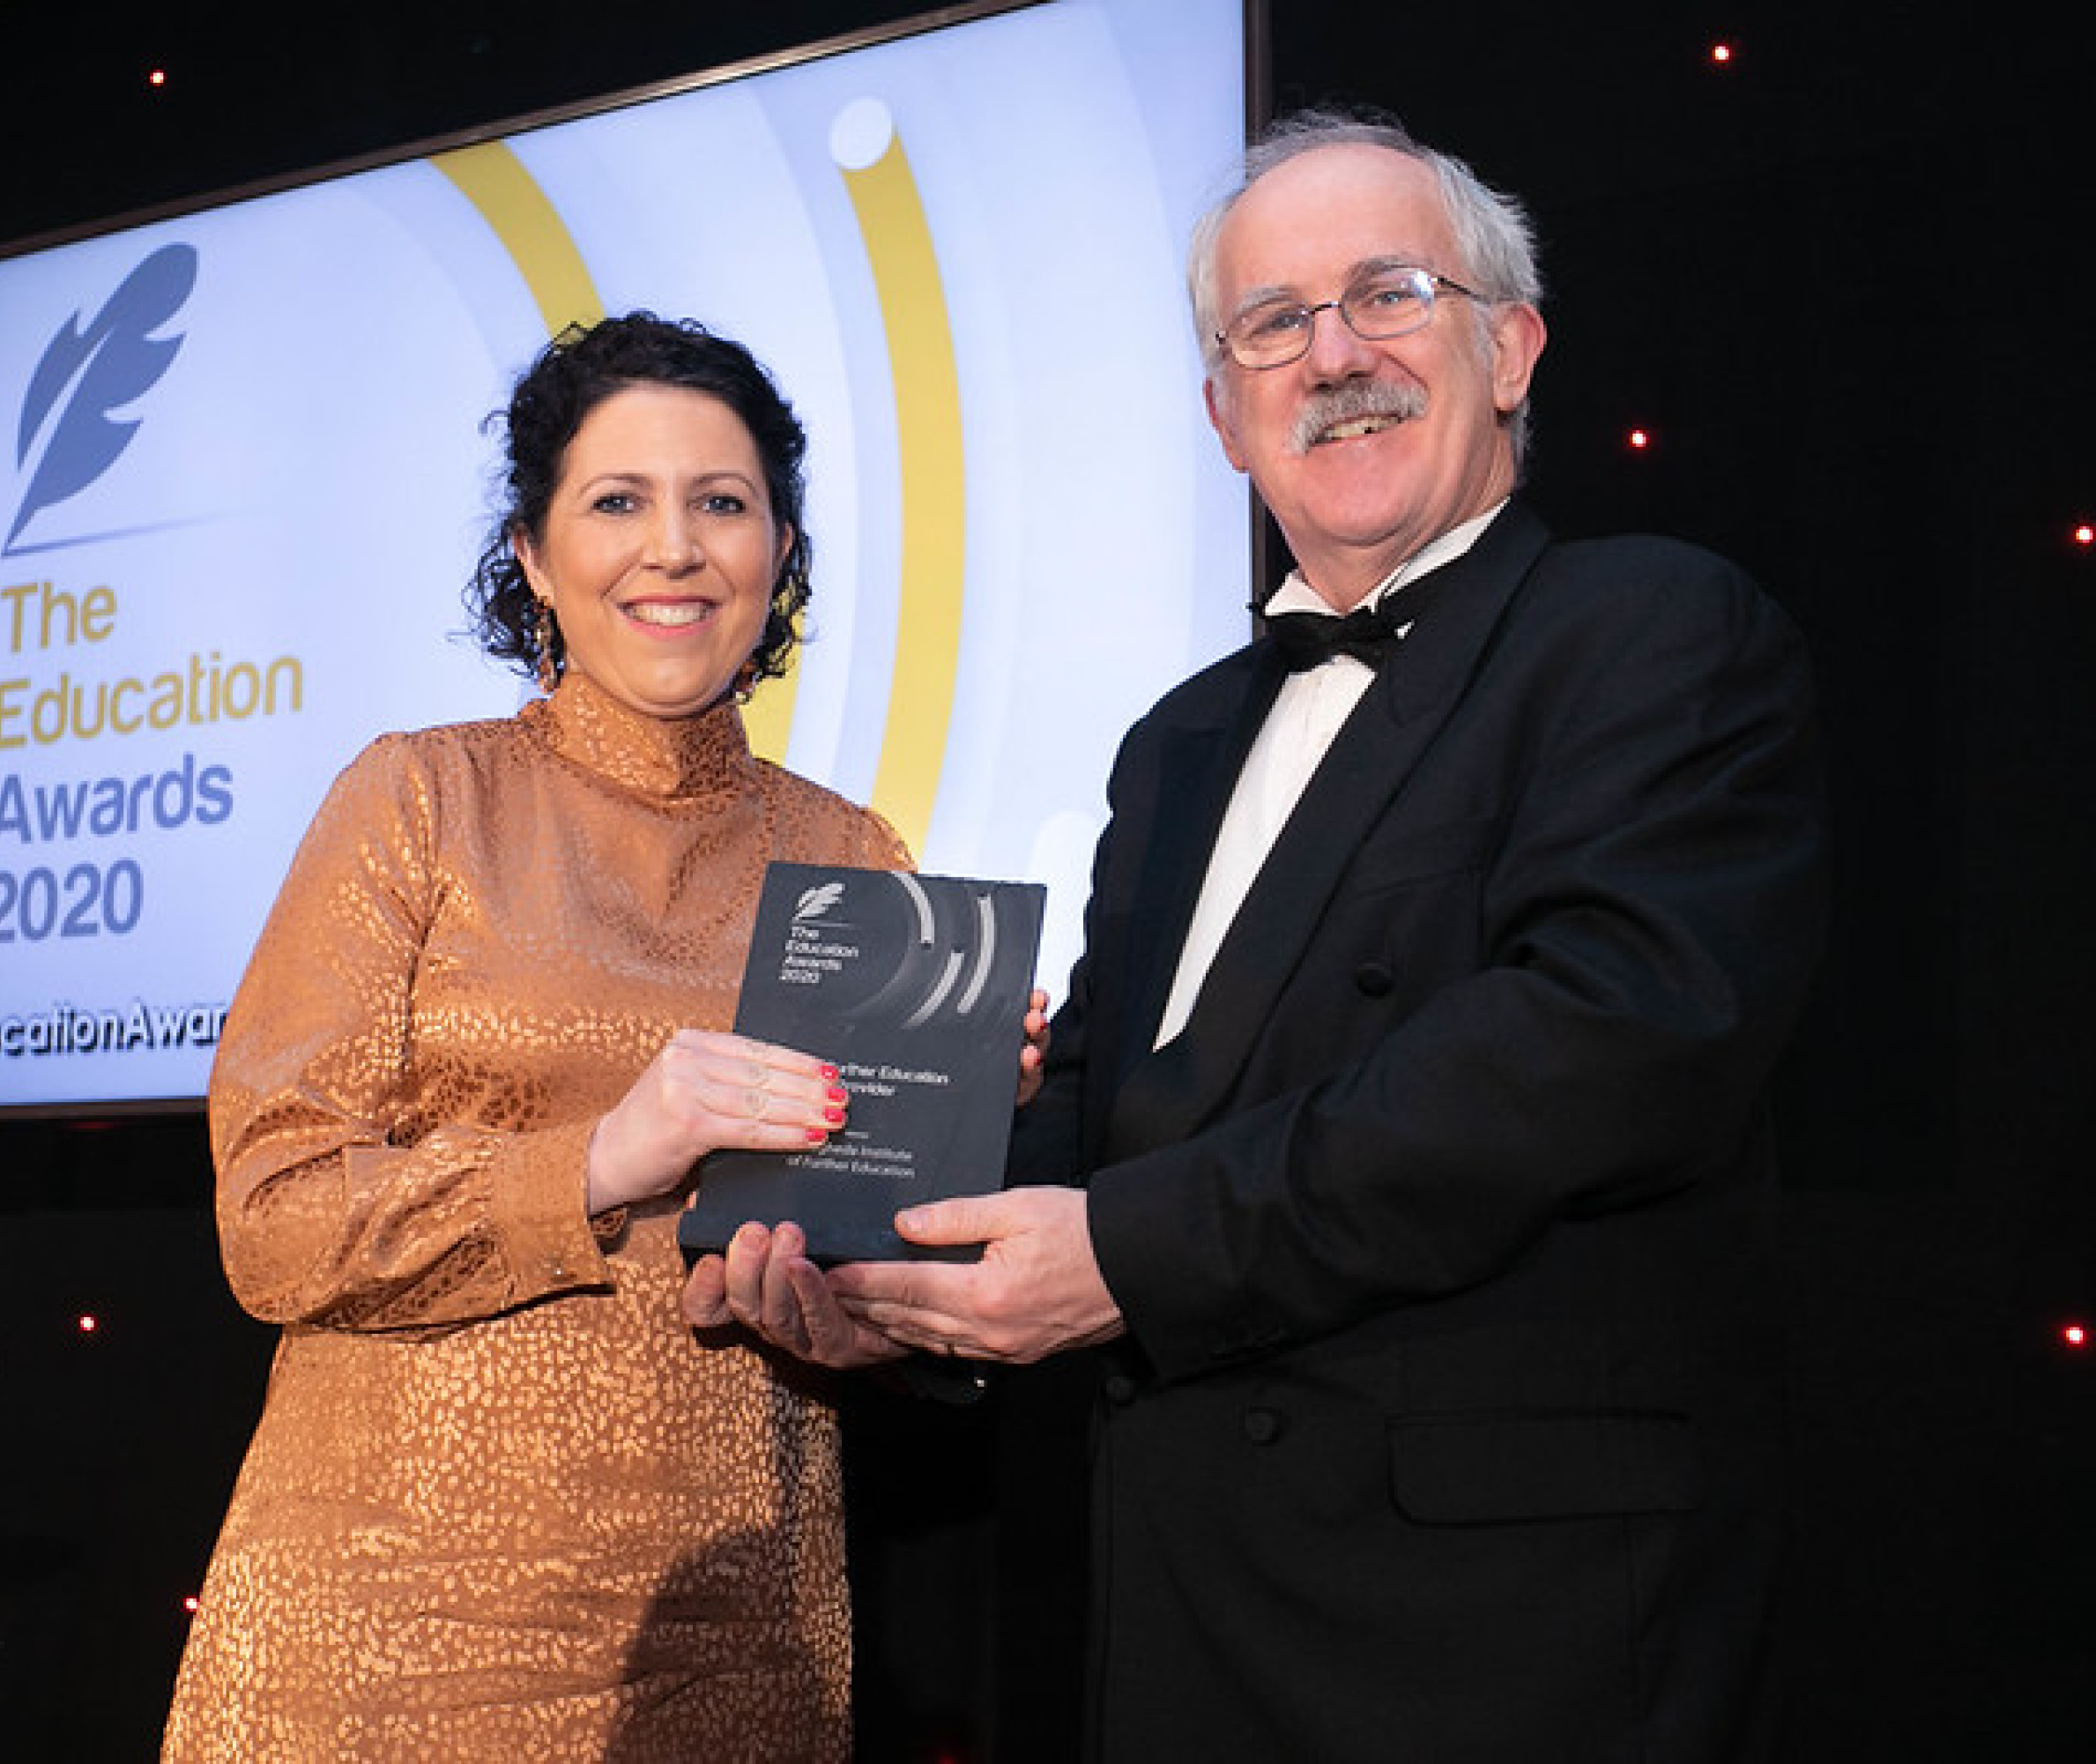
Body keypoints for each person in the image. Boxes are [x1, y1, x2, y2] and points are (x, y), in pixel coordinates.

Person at [698, 110, 1830, 1759]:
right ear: (1224, 415)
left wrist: (1127, 1255)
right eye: (1274, 323)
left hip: (1516, 1631)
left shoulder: (1654, 628)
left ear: (1511, 350)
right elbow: (1103, 1105)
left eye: (1389, 293)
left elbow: (1595, 1044)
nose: (1335, 356)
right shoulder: (1175, 742)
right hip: (1180, 1617)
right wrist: (885, 1273)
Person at [160, 312, 910, 1761]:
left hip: (722, 1640)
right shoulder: (418, 800)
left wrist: (943, 1152)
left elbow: (862, 1287)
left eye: (722, 502)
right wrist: (603, 1157)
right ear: (534, 555)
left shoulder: (851, 857)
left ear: (780, 549)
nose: (673, 548)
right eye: (617, 501)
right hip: (373, 1640)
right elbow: (272, 1221)